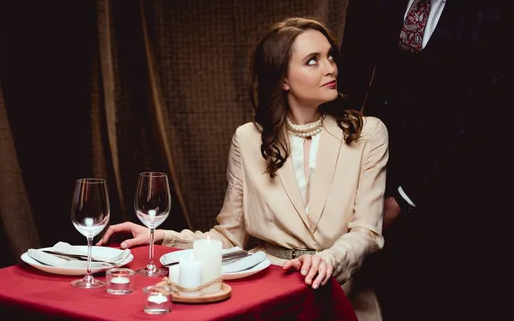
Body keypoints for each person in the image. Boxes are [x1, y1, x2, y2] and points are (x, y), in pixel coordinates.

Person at [98, 17, 389, 320]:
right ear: (283, 79)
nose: (330, 68)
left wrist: (329, 259)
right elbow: (229, 237)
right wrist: (160, 236)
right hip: (267, 294)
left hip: (339, 293)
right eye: (312, 61)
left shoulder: (368, 134)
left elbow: (367, 232)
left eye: (330, 56)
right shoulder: (248, 139)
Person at [338, 0, 514, 318]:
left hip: (458, 199)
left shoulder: (505, 5)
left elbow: (490, 127)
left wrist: (408, 198)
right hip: (377, 175)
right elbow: (351, 77)